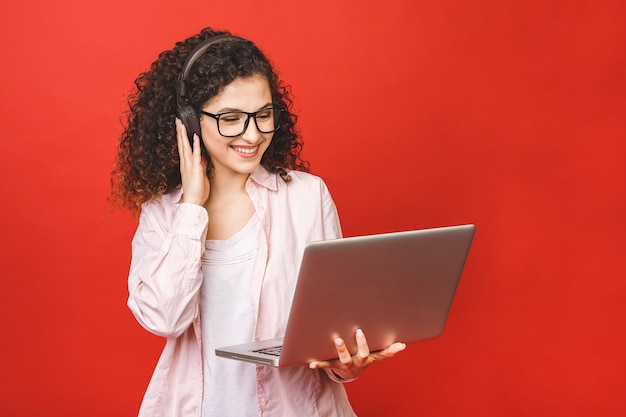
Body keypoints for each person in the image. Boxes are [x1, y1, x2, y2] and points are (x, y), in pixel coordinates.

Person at [111, 27, 406, 417]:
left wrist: (345, 366)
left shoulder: (307, 196)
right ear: (188, 121)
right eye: (231, 118)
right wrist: (193, 207)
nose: (253, 134)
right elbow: (164, 319)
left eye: (264, 115)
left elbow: (332, 322)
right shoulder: (165, 212)